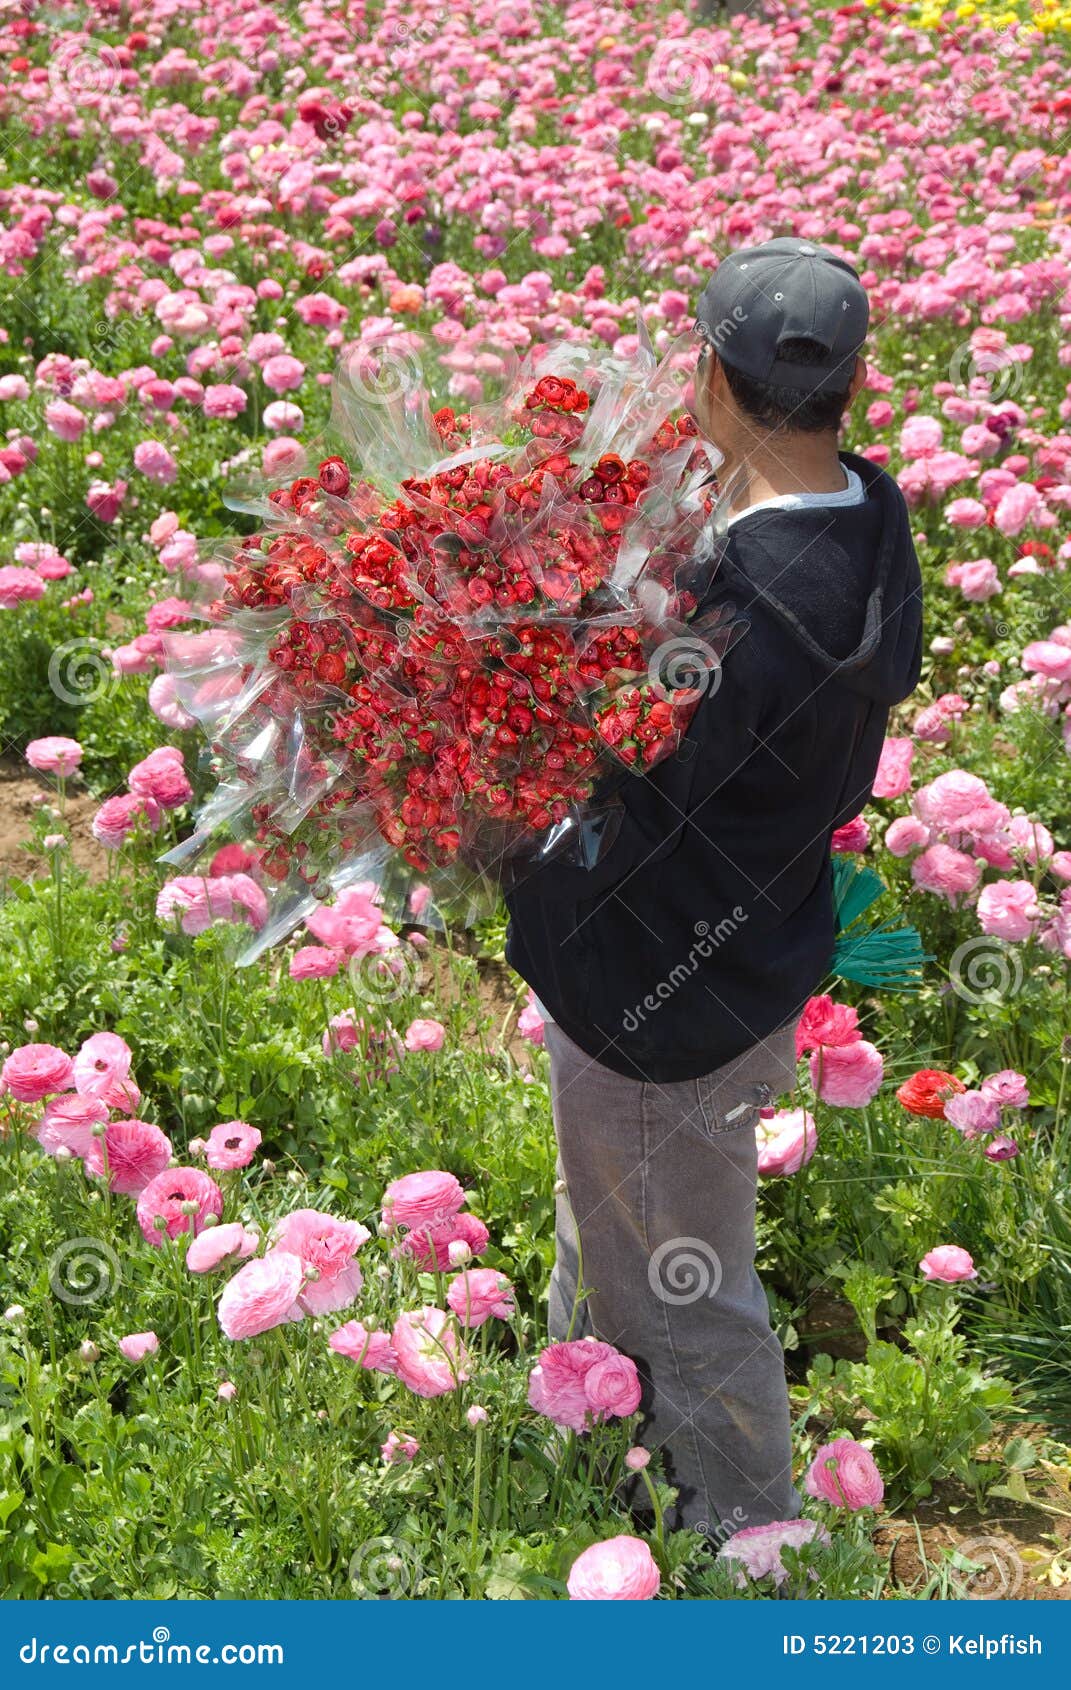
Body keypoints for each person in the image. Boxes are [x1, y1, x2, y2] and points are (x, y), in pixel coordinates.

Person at [505, 239, 923, 1538]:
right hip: (754, 952)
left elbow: (608, 785)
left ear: (712, 377)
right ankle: (590, 1434)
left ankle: (749, 1545)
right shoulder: (870, 515)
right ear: (850, 387)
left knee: (689, 1277)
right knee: (616, 1216)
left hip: (655, 994)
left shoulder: (724, 612)